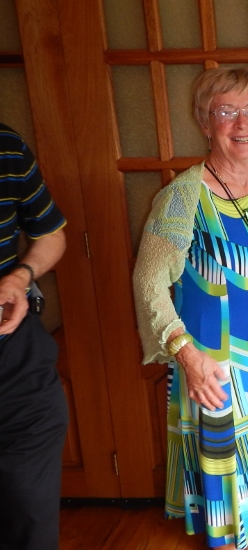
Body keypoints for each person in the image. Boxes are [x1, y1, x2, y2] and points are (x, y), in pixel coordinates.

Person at [132, 67, 248, 550]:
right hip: (213, 365)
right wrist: (187, 356)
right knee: (232, 506)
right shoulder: (182, 197)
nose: (242, 123)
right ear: (205, 122)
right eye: (226, 112)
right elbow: (148, 281)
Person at [0, 123, 68, 550]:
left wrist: (20, 276)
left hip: (15, 355)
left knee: (30, 506)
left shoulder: (6, 146)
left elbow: (50, 234)